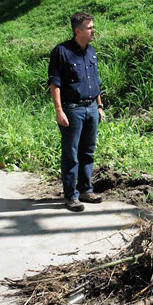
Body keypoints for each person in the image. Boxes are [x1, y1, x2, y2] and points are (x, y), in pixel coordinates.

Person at [48, 12, 105, 212]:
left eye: (93, 27)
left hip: (91, 108)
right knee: (71, 154)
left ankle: (85, 190)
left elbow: (95, 81)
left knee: (87, 151)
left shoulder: (92, 51)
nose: (93, 31)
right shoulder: (61, 52)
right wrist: (59, 110)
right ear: (78, 30)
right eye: (90, 28)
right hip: (72, 109)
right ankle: (71, 196)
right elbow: (55, 84)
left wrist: (99, 106)